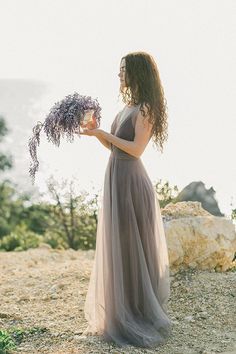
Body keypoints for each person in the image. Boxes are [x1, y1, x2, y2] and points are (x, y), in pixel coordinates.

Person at [78, 51, 172, 348]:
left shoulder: (145, 108)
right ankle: (122, 312)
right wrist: (97, 134)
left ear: (136, 73)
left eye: (123, 70)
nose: (119, 75)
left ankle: (138, 312)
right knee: (121, 246)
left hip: (132, 182)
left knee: (134, 247)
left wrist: (106, 132)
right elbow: (116, 148)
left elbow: (136, 149)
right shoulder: (128, 107)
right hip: (117, 179)